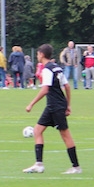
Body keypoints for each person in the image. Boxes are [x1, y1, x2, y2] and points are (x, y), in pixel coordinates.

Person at [24, 44, 81, 174]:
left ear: (42, 54)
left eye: (38, 54)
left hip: (55, 106)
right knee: (37, 130)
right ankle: (39, 164)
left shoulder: (47, 69)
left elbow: (45, 89)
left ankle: (76, 167)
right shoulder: (57, 68)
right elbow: (67, 86)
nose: (37, 56)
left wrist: (31, 104)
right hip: (54, 106)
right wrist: (68, 105)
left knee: (65, 135)